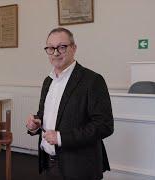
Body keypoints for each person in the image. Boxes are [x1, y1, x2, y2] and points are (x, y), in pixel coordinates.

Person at [25, 27, 114, 180]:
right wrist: (36, 123)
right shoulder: (48, 81)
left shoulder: (92, 80)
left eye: (61, 47)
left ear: (74, 48)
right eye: (51, 48)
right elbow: (48, 116)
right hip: (50, 163)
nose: (55, 53)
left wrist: (61, 138)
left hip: (80, 168)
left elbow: (104, 125)